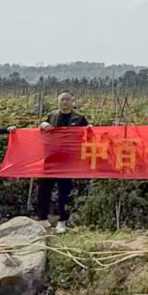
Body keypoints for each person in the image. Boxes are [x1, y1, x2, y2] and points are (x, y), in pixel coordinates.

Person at [38, 90, 91, 234]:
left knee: (64, 192)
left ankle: (62, 221)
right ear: (58, 101)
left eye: (68, 99)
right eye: (62, 100)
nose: (65, 102)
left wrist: (89, 130)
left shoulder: (79, 118)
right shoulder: (52, 116)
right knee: (44, 189)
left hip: (68, 160)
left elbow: (87, 135)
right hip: (50, 158)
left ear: (73, 101)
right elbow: (41, 130)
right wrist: (43, 124)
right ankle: (43, 219)